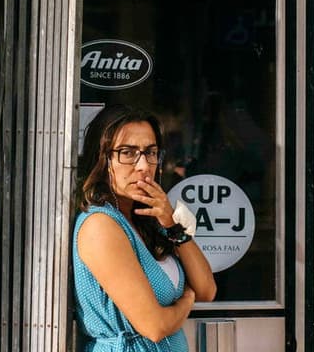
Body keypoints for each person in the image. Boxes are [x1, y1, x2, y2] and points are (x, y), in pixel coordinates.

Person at [73, 104, 217, 350]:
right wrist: (185, 301)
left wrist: (172, 223)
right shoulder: (101, 225)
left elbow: (206, 289)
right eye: (127, 153)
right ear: (102, 158)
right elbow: (154, 326)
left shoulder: (148, 219)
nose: (143, 166)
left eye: (150, 152)